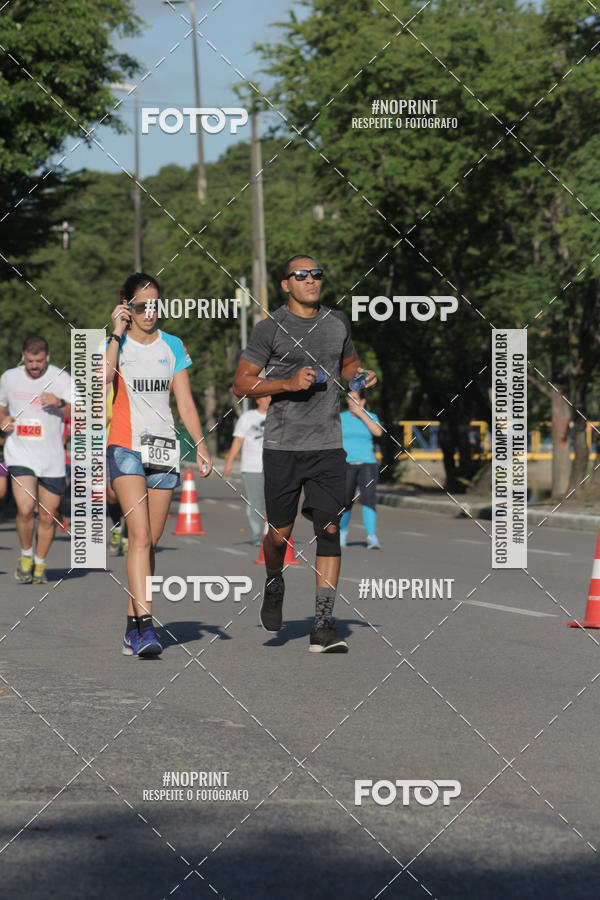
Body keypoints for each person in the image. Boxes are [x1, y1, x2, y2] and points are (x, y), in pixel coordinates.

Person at [232, 254, 376, 653]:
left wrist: (361, 377)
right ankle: (274, 579)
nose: (312, 280)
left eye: (317, 274)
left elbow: (349, 366)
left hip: (328, 445)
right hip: (282, 447)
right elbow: (241, 384)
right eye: (302, 275)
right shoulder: (269, 329)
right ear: (285, 284)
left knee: (330, 528)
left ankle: (324, 626)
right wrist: (287, 382)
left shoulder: (337, 322)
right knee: (279, 536)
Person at [104, 272, 213, 658]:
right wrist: (116, 333)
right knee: (138, 537)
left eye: (154, 304)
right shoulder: (113, 345)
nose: (149, 312)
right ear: (126, 308)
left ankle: (132, 625)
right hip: (125, 447)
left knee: (151, 540)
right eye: (140, 306)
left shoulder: (173, 345)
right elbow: (101, 380)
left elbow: (184, 403)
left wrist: (200, 445)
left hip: (164, 448)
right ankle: (147, 628)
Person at [0, 335, 73, 584]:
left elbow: (81, 409)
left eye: (39, 361)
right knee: (25, 508)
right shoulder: (9, 377)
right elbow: (1, 406)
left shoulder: (62, 379)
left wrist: (61, 402)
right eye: (30, 361)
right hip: (20, 452)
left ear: (47, 358)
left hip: (52, 456)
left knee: (47, 514)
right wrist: (3, 420)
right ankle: (26, 555)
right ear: (23, 356)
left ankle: (40, 563)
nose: (34, 366)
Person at [223, 396, 270, 546]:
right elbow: (238, 440)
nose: (268, 400)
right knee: (255, 503)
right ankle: (257, 535)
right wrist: (229, 463)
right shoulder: (248, 417)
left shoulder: (278, 416)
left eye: (270, 397)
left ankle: (272, 534)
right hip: (252, 467)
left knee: (274, 502)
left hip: (274, 467)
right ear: (257, 400)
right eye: (264, 397)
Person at [340, 389, 383, 549]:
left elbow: (378, 432)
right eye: (349, 399)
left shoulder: (372, 417)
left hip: (367, 464)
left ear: (362, 401)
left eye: (355, 399)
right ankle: (342, 533)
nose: (351, 402)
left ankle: (371, 536)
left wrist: (362, 414)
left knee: (369, 499)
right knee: (345, 501)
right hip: (346, 465)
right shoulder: (341, 418)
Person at [105, 384, 128, 556]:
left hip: (132, 445)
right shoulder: (102, 389)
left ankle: (128, 536)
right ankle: (116, 527)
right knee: (112, 494)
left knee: (132, 496)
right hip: (108, 444)